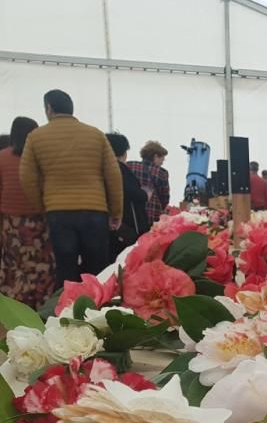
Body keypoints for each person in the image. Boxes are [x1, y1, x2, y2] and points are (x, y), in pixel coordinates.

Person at [19, 90, 122, 286]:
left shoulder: (36, 137)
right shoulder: (95, 134)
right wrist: (115, 211)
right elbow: (113, 176)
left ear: (49, 108)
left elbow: (27, 178)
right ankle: (99, 312)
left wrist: (43, 205)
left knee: (65, 269)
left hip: (59, 213)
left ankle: (65, 312)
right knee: (97, 271)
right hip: (95, 211)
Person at [0, 117, 55, 308]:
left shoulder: (2, 157)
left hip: (10, 223)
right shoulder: (41, 158)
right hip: (38, 219)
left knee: (14, 265)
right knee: (41, 263)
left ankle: (14, 304)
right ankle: (42, 304)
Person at [105, 132, 149, 261]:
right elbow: (131, 192)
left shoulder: (101, 169)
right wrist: (145, 194)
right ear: (123, 152)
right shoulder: (118, 169)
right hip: (125, 223)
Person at [128, 141, 170, 226]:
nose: (163, 162)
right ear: (155, 156)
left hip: (130, 215)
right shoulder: (161, 173)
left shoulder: (129, 166)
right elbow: (165, 198)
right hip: (151, 217)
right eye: (162, 158)